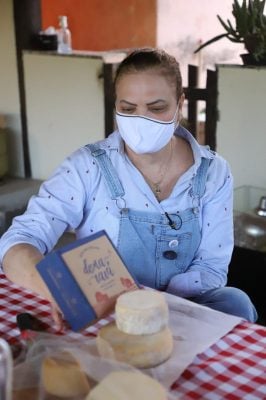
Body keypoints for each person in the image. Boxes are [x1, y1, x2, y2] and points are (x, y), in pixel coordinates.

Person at [0, 48, 257, 328]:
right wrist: (58, 291)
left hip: (182, 308)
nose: (141, 120)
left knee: (236, 301)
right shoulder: (88, 167)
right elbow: (18, 241)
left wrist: (155, 305)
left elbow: (211, 266)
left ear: (179, 104)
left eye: (157, 108)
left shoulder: (212, 171)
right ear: (116, 107)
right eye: (128, 109)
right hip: (109, 312)